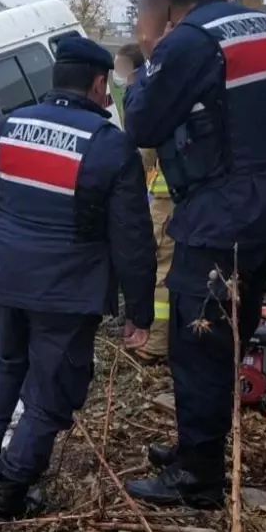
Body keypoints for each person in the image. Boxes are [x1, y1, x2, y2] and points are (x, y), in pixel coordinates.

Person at [122, 0, 266, 508]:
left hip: (223, 214)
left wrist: (146, 53)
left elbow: (140, 122)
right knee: (235, 325)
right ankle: (198, 445)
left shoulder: (185, 43)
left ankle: (200, 476)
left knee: (200, 338)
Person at [0, 36, 156, 521]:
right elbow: (132, 237)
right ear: (96, 84)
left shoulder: (3, 129)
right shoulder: (110, 145)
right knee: (50, 392)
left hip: (3, 280)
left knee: (6, 364)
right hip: (66, 294)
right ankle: (8, 493)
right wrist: (141, 310)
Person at [113, 43, 170, 364]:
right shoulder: (159, 89)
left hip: (166, 199)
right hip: (164, 196)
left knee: (161, 267)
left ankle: (157, 342)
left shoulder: (152, 97)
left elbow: (143, 151)